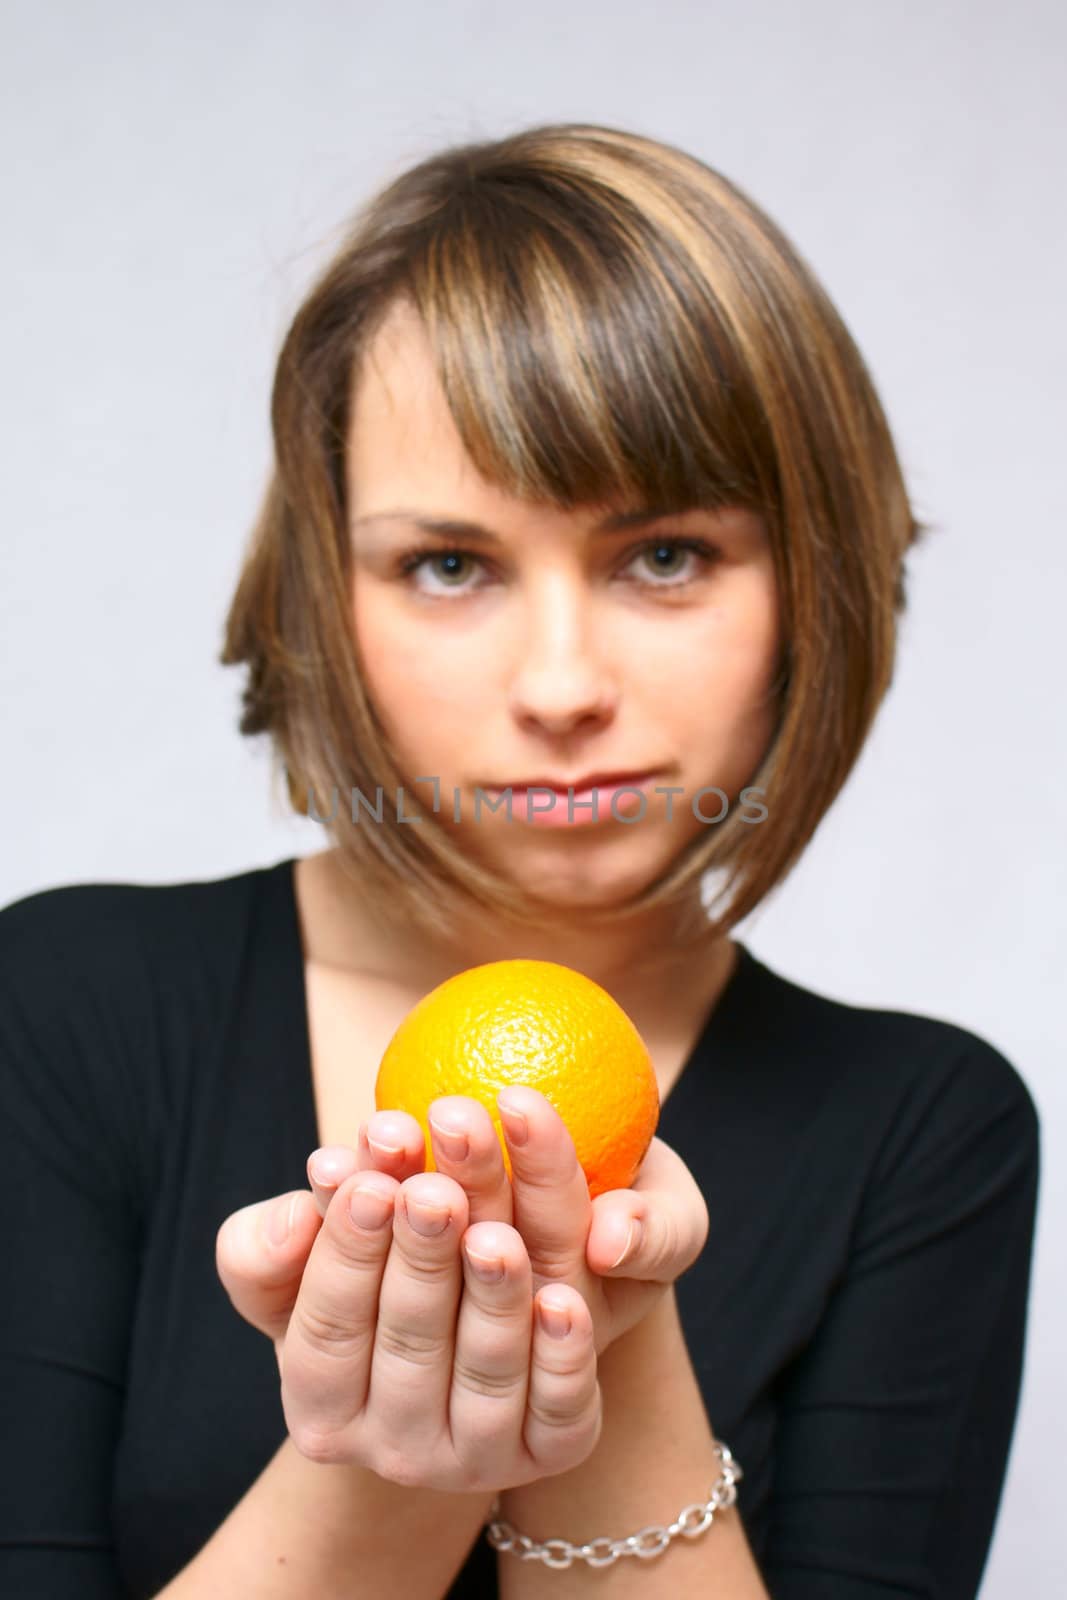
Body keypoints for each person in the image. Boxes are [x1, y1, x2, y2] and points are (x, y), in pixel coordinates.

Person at [0, 120, 1040, 1599]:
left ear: (815, 583)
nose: (561, 687)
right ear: (323, 601)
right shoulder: (64, 1007)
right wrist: (404, 1451)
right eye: (450, 565)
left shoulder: (926, 1131)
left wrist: (603, 1326)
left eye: (664, 555)